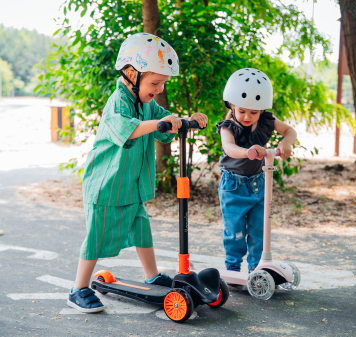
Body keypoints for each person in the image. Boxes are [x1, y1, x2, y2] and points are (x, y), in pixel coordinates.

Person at [68, 33, 208, 313]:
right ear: (132, 73)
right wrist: (160, 123)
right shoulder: (117, 102)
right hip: (107, 185)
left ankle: (152, 275)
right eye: (155, 83)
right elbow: (129, 128)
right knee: (97, 236)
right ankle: (78, 288)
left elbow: (164, 126)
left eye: (163, 84)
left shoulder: (146, 103)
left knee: (141, 230)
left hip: (130, 185)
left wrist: (184, 122)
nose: (158, 89)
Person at [216, 68, 297, 273]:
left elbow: (289, 130)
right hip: (233, 185)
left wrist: (287, 142)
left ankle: (256, 269)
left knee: (259, 230)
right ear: (232, 105)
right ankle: (232, 269)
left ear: (261, 109)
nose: (247, 116)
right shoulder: (227, 126)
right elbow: (229, 148)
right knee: (234, 231)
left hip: (259, 182)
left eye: (254, 112)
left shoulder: (266, 121)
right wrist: (249, 152)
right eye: (242, 110)